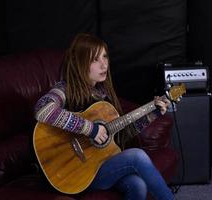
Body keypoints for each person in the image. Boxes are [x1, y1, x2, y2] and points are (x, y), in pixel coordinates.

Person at [34, 33, 174, 200]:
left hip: (100, 165)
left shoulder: (103, 95)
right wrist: (90, 128)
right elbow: (42, 110)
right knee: (137, 156)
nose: (104, 64)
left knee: (138, 185)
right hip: (75, 174)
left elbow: (121, 136)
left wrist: (152, 114)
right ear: (80, 63)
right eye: (95, 60)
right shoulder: (65, 89)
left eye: (105, 57)